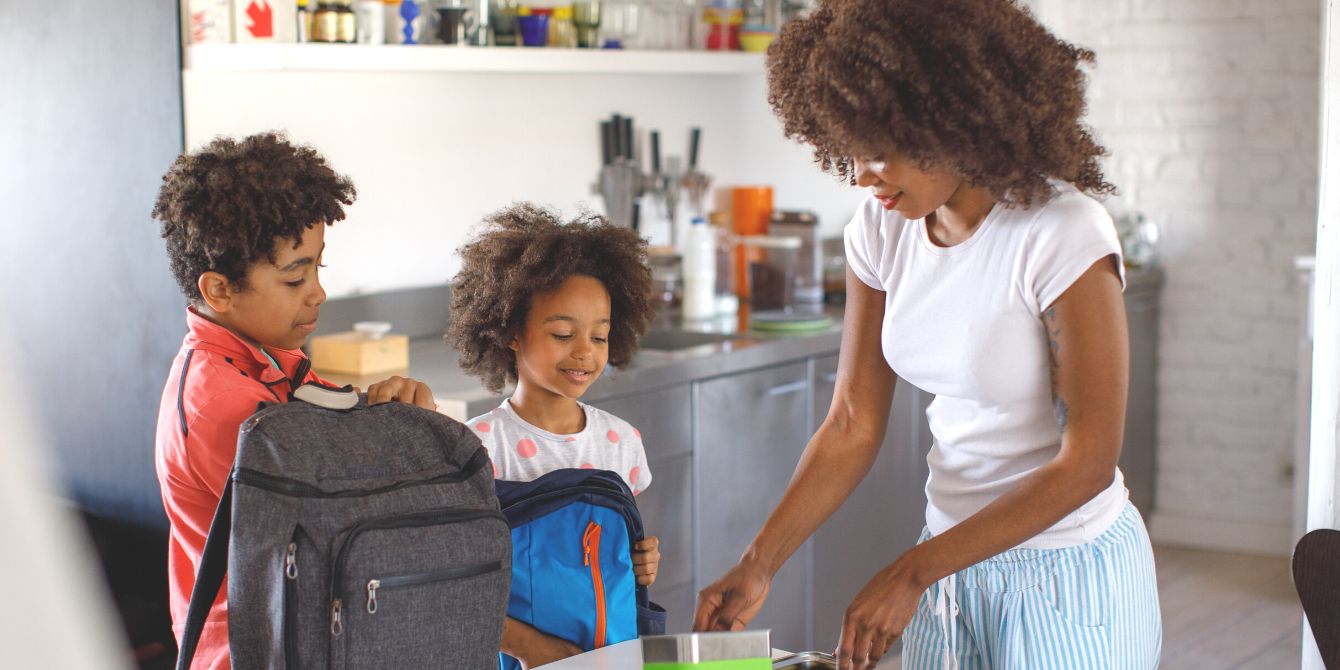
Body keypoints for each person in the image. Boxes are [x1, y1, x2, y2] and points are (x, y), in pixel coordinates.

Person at [693, 1, 1162, 668]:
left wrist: (912, 571)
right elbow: (853, 420)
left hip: (1065, 571)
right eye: (848, 147)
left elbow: (1087, 463)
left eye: (880, 149)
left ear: (956, 119)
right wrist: (759, 561)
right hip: (948, 568)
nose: (860, 173)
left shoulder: (1061, 232)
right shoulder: (881, 230)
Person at [151, 133, 437, 670]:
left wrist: (391, 415)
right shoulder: (224, 405)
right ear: (218, 291)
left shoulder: (270, 359)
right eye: (294, 276)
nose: (318, 292)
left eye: (318, 269)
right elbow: (327, 534)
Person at [447, 203, 663, 669]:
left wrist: (644, 560)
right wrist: (537, 652)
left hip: (613, 655)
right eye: (563, 333)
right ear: (511, 332)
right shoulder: (478, 448)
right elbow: (458, 584)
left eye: (600, 337)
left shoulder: (621, 442)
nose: (584, 351)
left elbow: (616, 550)